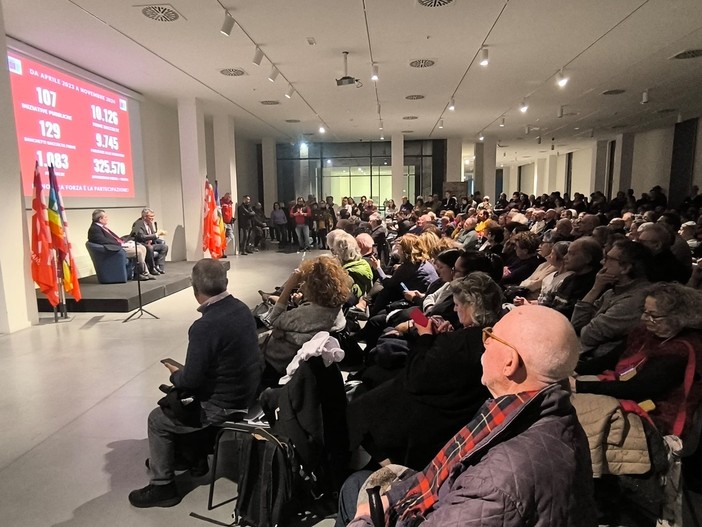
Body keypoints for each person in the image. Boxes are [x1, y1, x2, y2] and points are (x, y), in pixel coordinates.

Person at [341, 304, 596, 527]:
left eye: (490, 337)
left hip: (441, 499)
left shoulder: (495, 480)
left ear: (510, 362)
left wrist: (365, 518)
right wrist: (391, 499)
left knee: (353, 487)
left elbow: (415, 377)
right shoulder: (554, 415)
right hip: (445, 493)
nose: (483, 343)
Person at [128, 259, 261, 508]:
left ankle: (163, 487)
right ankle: (190, 457)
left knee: (158, 419)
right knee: (184, 400)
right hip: (248, 393)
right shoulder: (242, 309)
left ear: (194, 289)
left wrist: (175, 373)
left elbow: (191, 380)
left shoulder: (205, 326)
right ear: (226, 282)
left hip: (223, 404)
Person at [347, 272, 502, 469]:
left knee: (361, 404)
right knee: (374, 375)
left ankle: (381, 465)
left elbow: (416, 377)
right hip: (449, 396)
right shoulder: (489, 335)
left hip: (433, 413)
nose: (454, 309)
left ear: (471, 306)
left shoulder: (461, 341)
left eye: (457, 305)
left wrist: (426, 336)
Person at [573, 282, 702, 439]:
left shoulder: (681, 350)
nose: (643, 318)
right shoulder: (645, 332)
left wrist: (578, 385)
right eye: (644, 311)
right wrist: (572, 368)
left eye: (652, 315)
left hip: (655, 414)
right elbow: (607, 360)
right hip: (627, 391)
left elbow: (639, 388)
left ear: (679, 318)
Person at [261, 256, 350, 385]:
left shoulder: (307, 314)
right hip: (308, 360)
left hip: (279, 361)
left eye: (304, 282)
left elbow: (273, 319)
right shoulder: (336, 308)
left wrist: (289, 286)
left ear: (313, 286)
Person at [88, 209, 154, 280]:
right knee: (138, 251)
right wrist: (120, 244)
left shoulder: (102, 227)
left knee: (142, 248)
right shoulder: (94, 229)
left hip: (118, 246)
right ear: (100, 219)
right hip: (113, 250)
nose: (107, 219)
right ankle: (140, 273)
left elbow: (112, 238)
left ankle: (143, 272)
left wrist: (124, 242)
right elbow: (103, 241)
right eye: (106, 217)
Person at [131, 208, 169, 274]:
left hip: (150, 243)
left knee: (164, 247)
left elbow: (150, 234)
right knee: (150, 247)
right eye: (151, 216)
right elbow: (142, 237)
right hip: (141, 244)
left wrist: (158, 234)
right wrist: (156, 235)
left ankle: (159, 266)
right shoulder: (137, 223)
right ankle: (152, 268)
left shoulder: (150, 223)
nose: (152, 218)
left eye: (153, 216)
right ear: (144, 216)